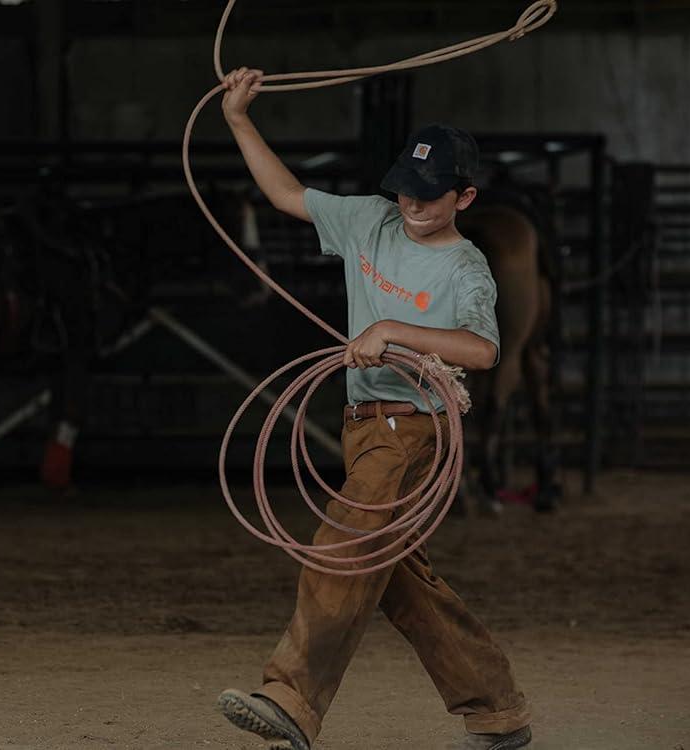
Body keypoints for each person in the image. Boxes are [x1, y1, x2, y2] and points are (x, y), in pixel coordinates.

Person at [212, 67, 532, 750]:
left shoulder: (465, 268)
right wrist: (240, 118)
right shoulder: (368, 219)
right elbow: (287, 194)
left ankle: (293, 697)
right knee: (393, 578)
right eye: (405, 189)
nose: (411, 204)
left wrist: (392, 333)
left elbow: (481, 351)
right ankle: (495, 706)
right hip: (364, 425)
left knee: (344, 545)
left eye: (428, 195)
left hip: (413, 428)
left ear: (464, 196)